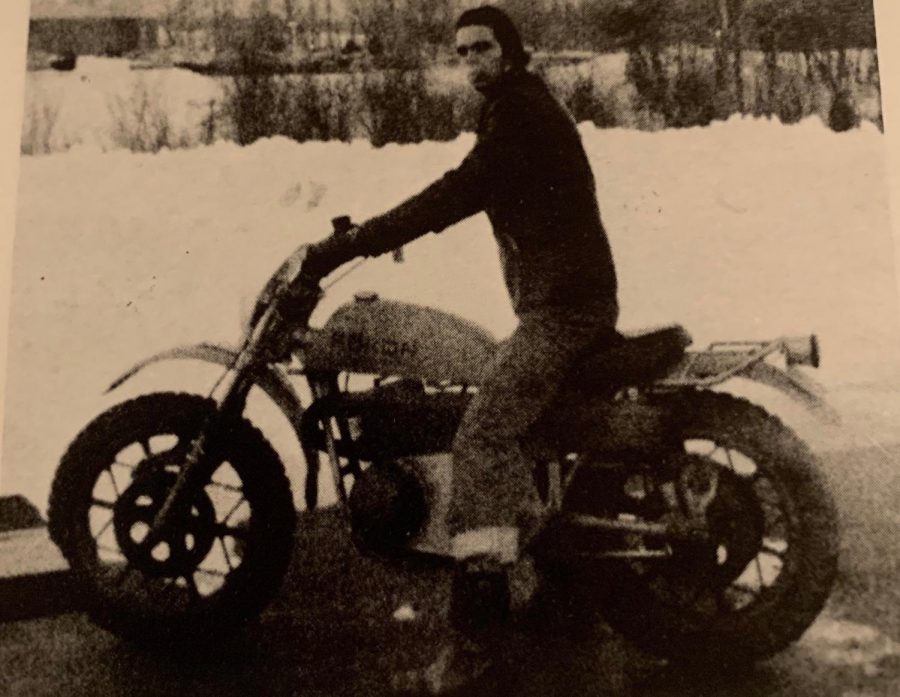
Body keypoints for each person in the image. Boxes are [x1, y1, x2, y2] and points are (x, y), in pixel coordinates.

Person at [295, 5, 619, 692]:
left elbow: (461, 190)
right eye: (463, 52)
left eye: (483, 48)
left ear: (511, 50)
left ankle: (474, 644)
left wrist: (357, 242)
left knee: (480, 440)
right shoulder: (514, 107)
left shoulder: (520, 113)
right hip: (559, 303)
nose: (472, 62)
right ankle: (561, 588)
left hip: (566, 310)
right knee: (507, 422)